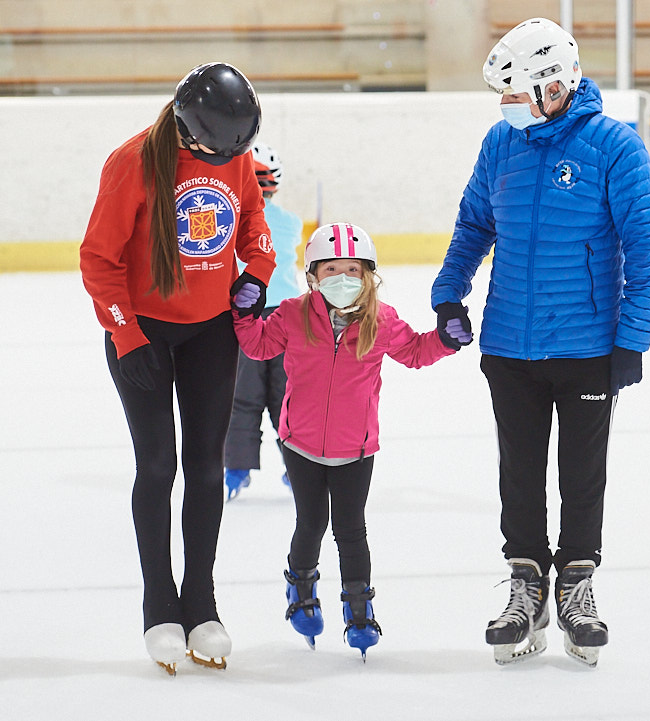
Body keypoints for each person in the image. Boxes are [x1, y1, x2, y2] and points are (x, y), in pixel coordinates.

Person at [431, 17, 650, 667]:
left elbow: (647, 251)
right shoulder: (500, 145)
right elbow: (473, 222)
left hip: (588, 344)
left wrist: (632, 339)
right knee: (520, 470)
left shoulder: (614, 147)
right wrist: (449, 291)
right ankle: (527, 583)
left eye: (514, 93)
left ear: (553, 86)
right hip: (509, 343)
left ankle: (577, 583)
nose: (504, 106)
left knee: (582, 473)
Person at [80, 62, 273, 675]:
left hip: (211, 334)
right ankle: (159, 604)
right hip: (144, 335)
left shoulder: (233, 157)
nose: (225, 161)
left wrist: (256, 276)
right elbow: (98, 260)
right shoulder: (132, 162)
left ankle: (202, 601)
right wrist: (126, 333)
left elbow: (252, 227)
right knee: (158, 465)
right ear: (190, 132)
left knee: (205, 466)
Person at [232, 222, 469, 659]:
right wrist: (245, 314)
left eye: (354, 270)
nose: (344, 279)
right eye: (332, 269)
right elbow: (258, 347)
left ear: (368, 276)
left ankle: (359, 608)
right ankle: (300, 589)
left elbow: (415, 352)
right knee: (311, 523)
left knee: (350, 529)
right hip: (300, 443)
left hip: (356, 449)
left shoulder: (381, 320)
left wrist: (445, 341)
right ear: (313, 276)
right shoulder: (292, 314)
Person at [223, 142, 304, 500]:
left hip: (245, 316)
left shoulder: (231, 220)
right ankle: (298, 466)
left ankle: (236, 470)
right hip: (288, 317)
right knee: (288, 396)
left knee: (242, 396)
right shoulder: (291, 223)